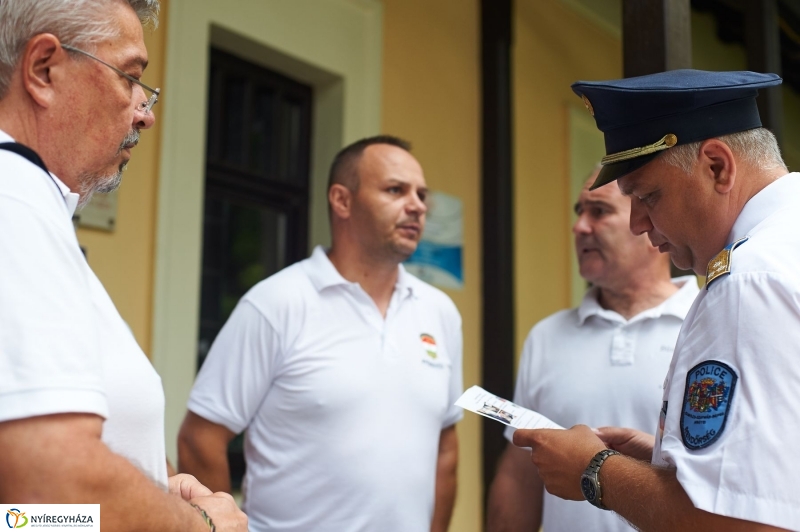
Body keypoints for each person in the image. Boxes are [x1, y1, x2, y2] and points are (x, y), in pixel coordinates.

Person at [513, 69, 799, 531]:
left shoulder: (749, 281)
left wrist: (596, 471)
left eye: (647, 196)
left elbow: (742, 523)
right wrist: (663, 456)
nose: (638, 224)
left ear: (717, 166)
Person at [0, 1, 246, 530]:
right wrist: (201, 526)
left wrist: (158, 495)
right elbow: (47, 496)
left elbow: (19, 518)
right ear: (44, 69)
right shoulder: (13, 196)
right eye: (130, 78)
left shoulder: (32, 203)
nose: (146, 112)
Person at [178, 135, 463, 532]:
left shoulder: (440, 313)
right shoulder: (276, 303)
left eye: (421, 194)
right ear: (342, 200)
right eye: (396, 190)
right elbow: (200, 438)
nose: (417, 205)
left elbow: (445, 444)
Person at [487, 167, 699, 532]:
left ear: (647, 220)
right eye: (579, 211)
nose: (579, 227)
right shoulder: (547, 336)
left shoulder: (705, 325)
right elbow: (520, 472)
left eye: (599, 211)